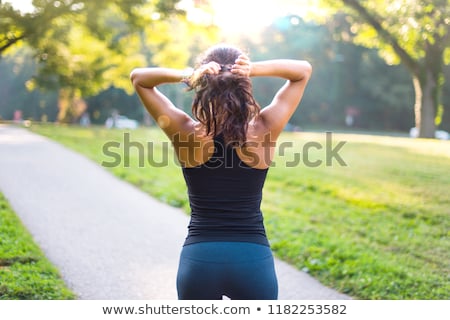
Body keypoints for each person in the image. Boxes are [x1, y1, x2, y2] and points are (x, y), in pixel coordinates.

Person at [130, 44, 312, 300]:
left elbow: (139, 78)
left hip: (200, 260)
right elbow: (303, 71)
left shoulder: (184, 130)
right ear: (244, 83)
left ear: (203, 83)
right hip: (253, 260)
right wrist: (253, 69)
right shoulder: (265, 128)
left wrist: (189, 73)